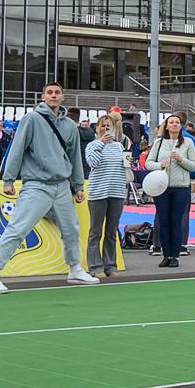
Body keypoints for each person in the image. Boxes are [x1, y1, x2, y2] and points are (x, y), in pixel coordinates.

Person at [0, 82, 93, 293]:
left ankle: (75, 269)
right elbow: (17, 148)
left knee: (71, 230)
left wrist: (78, 185)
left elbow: (74, 157)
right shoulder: (31, 119)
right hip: (36, 184)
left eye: (57, 93)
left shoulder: (70, 125)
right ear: (43, 97)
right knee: (18, 228)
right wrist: (8, 180)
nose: (53, 95)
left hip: (62, 185)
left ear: (62, 97)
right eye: (49, 92)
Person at [145, 113, 195, 268]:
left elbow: (194, 166)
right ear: (166, 126)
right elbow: (148, 163)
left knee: (176, 220)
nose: (174, 124)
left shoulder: (188, 143)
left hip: (181, 187)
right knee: (163, 220)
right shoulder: (158, 143)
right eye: (171, 122)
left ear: (180, 126)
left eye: (177, 122)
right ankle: (165, 254)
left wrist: (181, 159)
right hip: (161, 187)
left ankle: (174, 255)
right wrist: (160, 165)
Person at [84, 115, 127, 280]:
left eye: (109, 126)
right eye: (103, 126)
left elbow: (123, 166)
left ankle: (110, 264)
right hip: (98, 193)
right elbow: (92, 163)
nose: (106, 129)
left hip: (116, 192)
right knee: (96, 232)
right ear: (97, 128)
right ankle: (95, 266)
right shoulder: (92, 145)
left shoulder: (119, 146)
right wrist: (101, 143)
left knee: (111, 231)